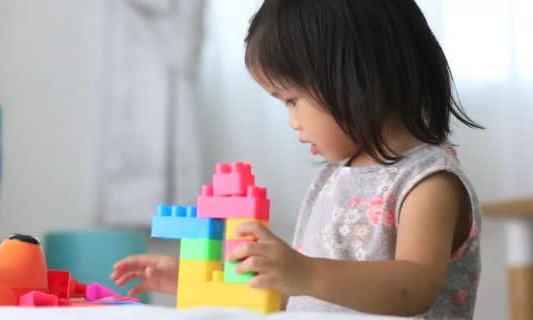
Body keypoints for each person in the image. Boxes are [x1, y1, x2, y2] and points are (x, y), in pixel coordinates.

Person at [110, 1, 483, 318]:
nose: (293, 121)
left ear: (357, 77)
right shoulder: (334, 178)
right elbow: (303, 295)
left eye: (292, 100)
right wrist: (210, 281)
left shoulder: (428, 183)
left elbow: (413, 288)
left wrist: (304, 272)